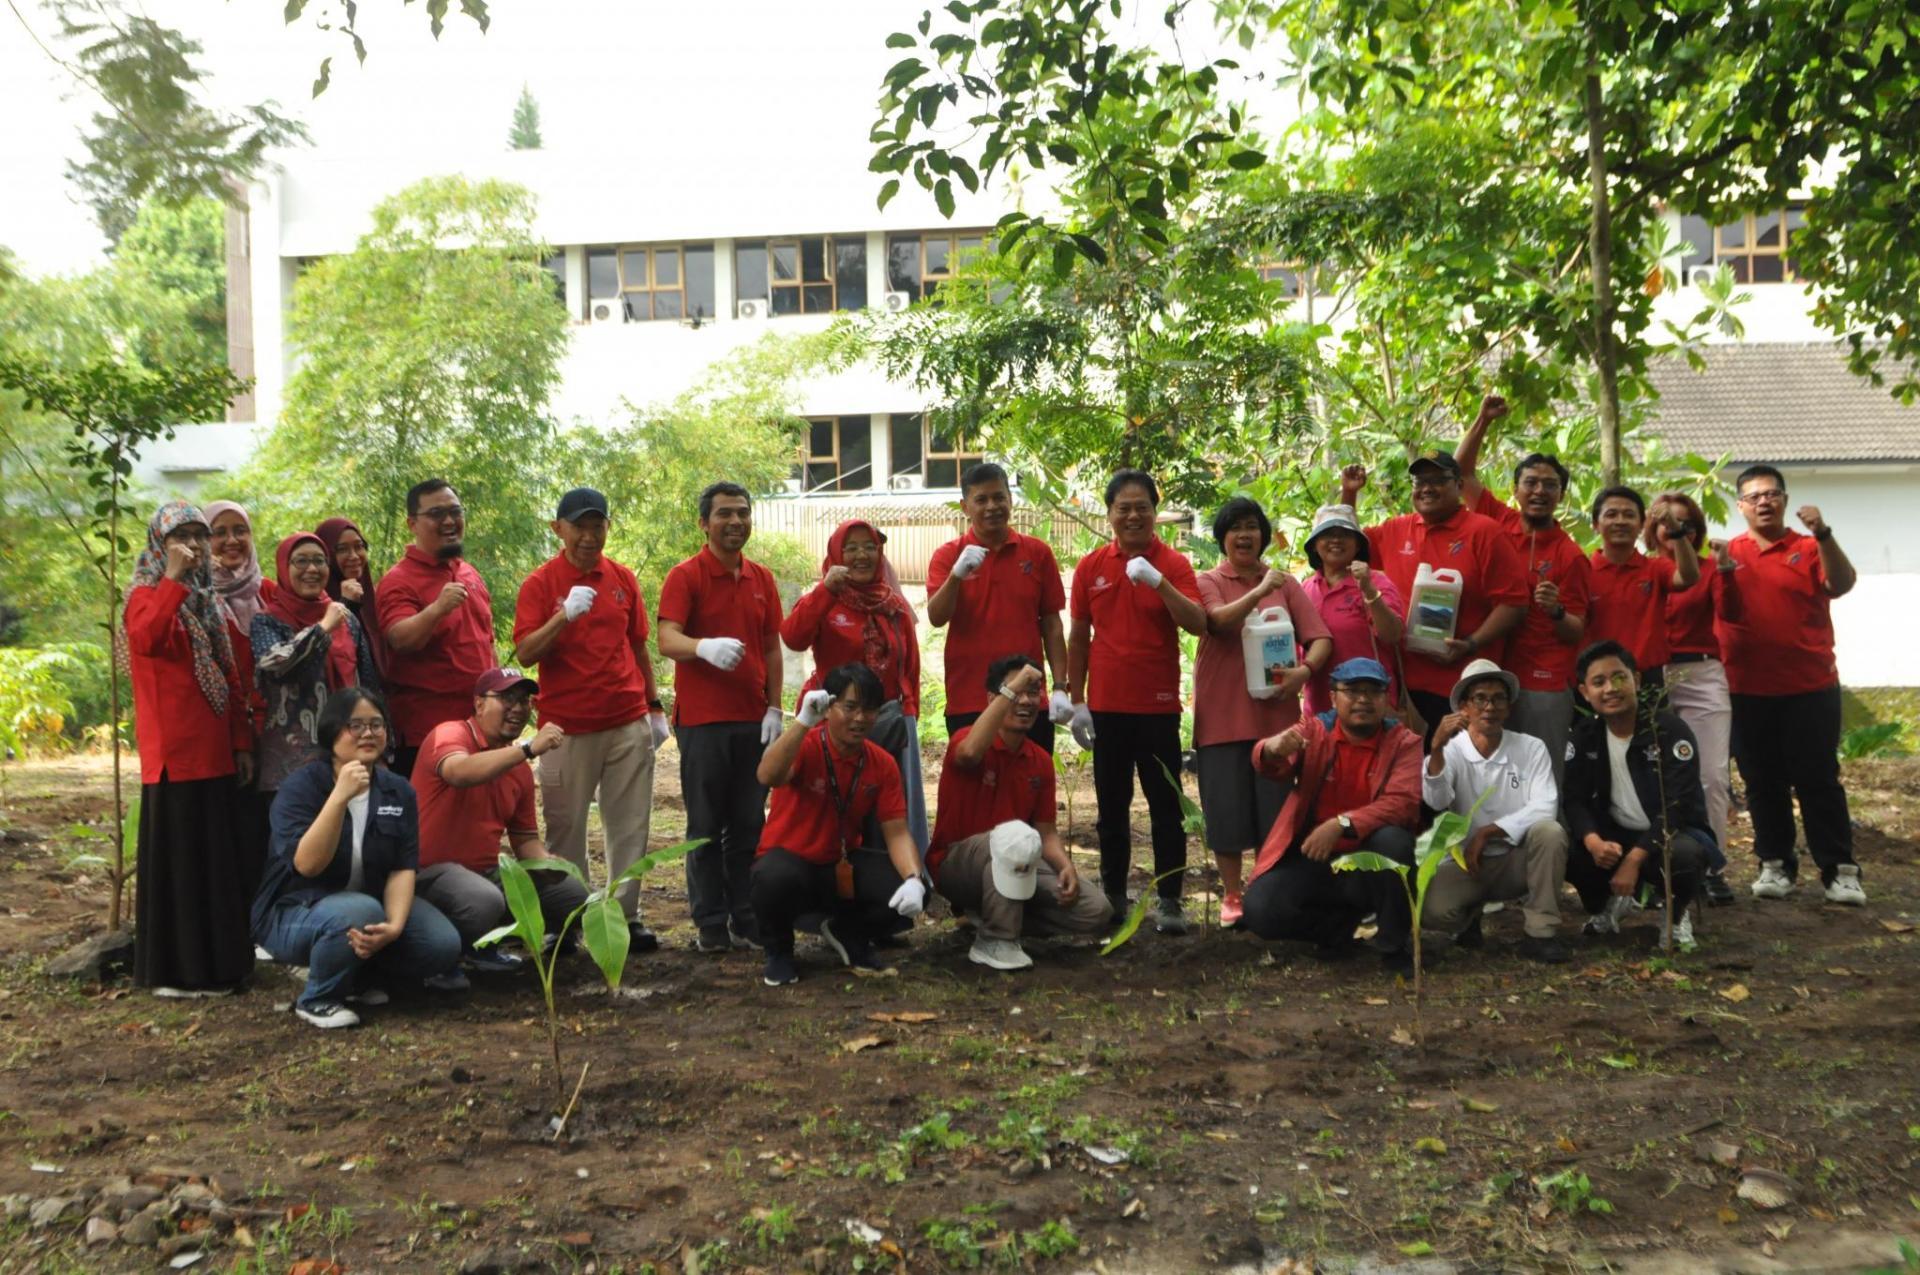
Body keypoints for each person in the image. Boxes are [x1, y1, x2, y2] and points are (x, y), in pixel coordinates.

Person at [512, 487, 669, 952]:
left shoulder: (620, 578)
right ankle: (570, 917)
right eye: (578, 525)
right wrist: (564, 616)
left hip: (625, 719)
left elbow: (639, 644)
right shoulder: (540, 584)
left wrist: (655, 707)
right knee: (565, 827)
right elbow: (525, 652)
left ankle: (625, 916)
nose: (588, 535)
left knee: (630, 825)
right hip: (564, 729)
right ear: (557, 529)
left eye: (596, 525)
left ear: (607, 527)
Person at [253, 688, 461, 1029]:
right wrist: (338, 799)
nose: (368, 733)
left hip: (369, 905)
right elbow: (307, 865)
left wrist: (394, 927)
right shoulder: (300, 787)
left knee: (441, 944)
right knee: (360, 912)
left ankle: (361, 979)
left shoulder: (398, 790)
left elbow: (401, 868)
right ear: (331, 731)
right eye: (356, 725)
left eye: (376, 724)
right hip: (293, 911)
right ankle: (317, 999)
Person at [1066, 469, 1207, 934]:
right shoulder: (1090, 567)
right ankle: (1112, 895)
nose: (1132, 516)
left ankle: (1170, 899)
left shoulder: (1176, 563)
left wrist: (1159, 583)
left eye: (1141, 507)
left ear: (1154, 513)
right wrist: (1076, 699)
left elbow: (1198, 623)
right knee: (1111, 808)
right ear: (1109, 514)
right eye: (1122, 508)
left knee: (1166, 806)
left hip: (1159, 705)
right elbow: (1079, 635)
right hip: (1106, 707)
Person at [123, 502, 255, 997]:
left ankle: (221, 967)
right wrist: (172, 579)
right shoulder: (145, 595)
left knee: (215, 863)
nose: (195, 546)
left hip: (215, 751)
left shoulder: (207, 601)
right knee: (181, 866)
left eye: (200, 537)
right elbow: (148, 640)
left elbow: (230, 675)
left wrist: (241, 742)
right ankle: (177, 973)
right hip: (173, 757)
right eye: (183, 537)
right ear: (160, 543)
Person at [1718, 465, 1865, 905]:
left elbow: (1842, 583)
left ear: (1784, 499)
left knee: (1819, 779)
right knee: (1762, 782)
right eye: (1753, 496)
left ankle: (1840, 870)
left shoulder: (1808, 546)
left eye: (1771, 494)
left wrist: (1823, 533)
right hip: (1747, 689)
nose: (1763, 501)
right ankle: (1775, 864)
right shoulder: (1727, 553)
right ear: (1740, 505)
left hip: (1811, 685)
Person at [657, 482, 785, 952]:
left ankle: (744, 914)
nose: (735, 522)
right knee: (705, 826)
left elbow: (772, 647)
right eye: (725, 514)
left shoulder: (762, 579)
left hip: (752, 720)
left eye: (743, 513)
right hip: (703, 722)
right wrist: (702, 647)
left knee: (749, 822)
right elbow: (666, 639)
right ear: (704, 523)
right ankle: (710, 920)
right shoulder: (686, 576)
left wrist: (775, 705)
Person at [1193, 496, 1333, 925]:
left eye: (1252, 526)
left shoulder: (1287, 584)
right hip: (1222, 714)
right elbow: (1219, 622)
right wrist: (1259, 590)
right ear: (1222, 538)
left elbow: (1320, 638)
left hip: (1276, 719)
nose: (1244, 535)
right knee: (1226, 807)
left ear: (1263, 535)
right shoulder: (1208, 580)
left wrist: (1303, 672)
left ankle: (1265, 889)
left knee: (1275, 808)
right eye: (1235, 527)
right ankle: (1232, 895)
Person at [928, 656, 1113, 969]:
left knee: (1096, 910)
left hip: (1016, 860)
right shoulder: (967, 739)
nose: (1027, 700)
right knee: (1011, 837)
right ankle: (997, 939)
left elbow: (1046, 832)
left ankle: (991, 917)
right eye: (1017, 692)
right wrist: (1011, 689)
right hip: (957, 863)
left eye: (1033, 692)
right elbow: (970, 754)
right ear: (994, 699)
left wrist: (1065, 865)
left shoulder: (1039, 760)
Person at [1238, 658, 1423, 966]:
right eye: (1352, 690)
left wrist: (1342, 823)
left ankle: (1394, 945)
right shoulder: (1314, 729)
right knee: (1260, 909)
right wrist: (1272, 748)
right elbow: (1271, 761)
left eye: (1373, 691)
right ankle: (1335, 930)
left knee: (1394, 842)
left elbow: (1403, 802)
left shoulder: (1404, 741)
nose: (1363, 699)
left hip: (1368, 862)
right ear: (1334, 697)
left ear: (1386, 700)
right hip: (1316, 857)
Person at [751, 664, 927, 986]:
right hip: (792, 863)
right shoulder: (805, 743)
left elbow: (898, 832)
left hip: (839, 865)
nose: (860, 719)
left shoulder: (881, 763)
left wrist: (914, 879)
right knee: (772, 877)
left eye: (870, 710)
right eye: (850, 708)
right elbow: (768, 775)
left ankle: (849, 933)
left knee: (904, 886)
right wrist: (803, 721)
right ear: (829, 707)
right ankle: (778, 951)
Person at [1339, 451, 1529, 740]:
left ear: (1459, 484)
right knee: (1413, 776)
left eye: (1438, 480)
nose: (1427, 488)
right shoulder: (1395, 529)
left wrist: (1469, 643)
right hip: (1404, 687)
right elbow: (1344, 544)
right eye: (1420, 481)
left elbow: (1514, 604)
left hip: (1464, 688)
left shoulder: (1485, 532)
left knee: (1461, 777)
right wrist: (1349, 493)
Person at [1453, 396, 1592, 785]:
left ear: (1561, 495)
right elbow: (1460, 473)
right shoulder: (1497, 522)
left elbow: (1576, 629)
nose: (1539, 491)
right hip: (1488, 671)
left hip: (1541, 682)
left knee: (1540, 777)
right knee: (1487, 775)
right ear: (1516, 489)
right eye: (1530, 482)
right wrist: (1482, 419)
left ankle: (1548, 844)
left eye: (1550, 485)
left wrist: (1557, 611)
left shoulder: (1571, 555)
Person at [409, 668, 589, 966]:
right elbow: (459, 772)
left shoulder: (517, 769)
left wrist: (546, 862)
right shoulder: (450, 734)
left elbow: (525, 839)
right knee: (483, 900)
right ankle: (461, 950)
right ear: (479, 704)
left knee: (574, 895)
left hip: (486, 875)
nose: (518, 708)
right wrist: (528, 749)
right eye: (507, 698)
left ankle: (490, 940)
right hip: (428, 873)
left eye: (524, 700)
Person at [781, 520, 929, 853]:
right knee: (829, 799)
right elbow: (793, 638)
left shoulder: (894, 606)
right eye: (851, 548)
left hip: (886, 718)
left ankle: (894, 875)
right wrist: (825, 590)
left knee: (887, 803)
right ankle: (821, 866)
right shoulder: (824, 599)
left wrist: (911, 711)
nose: (862, 555)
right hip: (831, 720)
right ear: (836, 554)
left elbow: (910, 664)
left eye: (870, 547)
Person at [1418, 659, 1571, 963]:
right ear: (1464, 707)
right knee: (1431, 912)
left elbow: (1545, 805)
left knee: (1550, 833)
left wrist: (1489, 831)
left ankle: (1540, 933)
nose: (1490, 706)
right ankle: (1468, 920)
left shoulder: (1531, 748)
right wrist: (1435, 748)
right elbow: (1436, 800)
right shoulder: (1451, 750)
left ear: (1509, 706)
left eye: (1498, 698)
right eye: (1480, 698)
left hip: (1516, 859)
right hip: (1466, 864)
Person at [1564, 641, 1711, 944]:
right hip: (1615, 836)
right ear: (1585, 693)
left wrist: (1633, 861)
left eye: (1619, 678)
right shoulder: (1584, 737)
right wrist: (1593, 842)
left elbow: (1677, 805)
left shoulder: (1669, 731)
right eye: (1599, 682)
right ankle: (1604, 906)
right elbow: (1574, 799)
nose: (1610, 689)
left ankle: (1675, 914)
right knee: (1567, 848)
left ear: (1637, 680)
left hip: (1669, 835)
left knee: (1684, 855)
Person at [926, 462, 1072, 750]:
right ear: (965, 506)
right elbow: (936, 617)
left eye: (998, 497)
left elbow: (1052, 626)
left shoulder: (1037, 553)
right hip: (970, 697)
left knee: (1031, 783)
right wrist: (957, 575)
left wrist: (1059, 688)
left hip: (1029, 698)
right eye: (981, 500)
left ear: (1010, 500)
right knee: (975, 787)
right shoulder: (948, 556)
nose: (992, 506)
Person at [1646, 491, 1738, 905]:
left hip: (1701, 672)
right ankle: (1658, 867)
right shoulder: (1642, 569)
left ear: (1696, 529)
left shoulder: (1708, 569)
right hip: (1651, 675)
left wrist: (1729, 573)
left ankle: (1712, 866)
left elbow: (1731, 612)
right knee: (1654, 777)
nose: (1674, 529)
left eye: (1684, 522)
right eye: (1667, 522)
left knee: (1712, 775)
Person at [376, 479, 495, 778]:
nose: (449, 521)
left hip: (479, 725)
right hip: (427, 735)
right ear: (412, 523)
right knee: (430, 823)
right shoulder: (398, 580)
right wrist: (437, 609)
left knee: (479, 821)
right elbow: (400, 639)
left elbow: (486, 640)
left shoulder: (467, 571)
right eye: (436, 514)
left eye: (455, 512)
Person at [251, 533, 380, 795]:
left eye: (319, 561)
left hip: (349, 757)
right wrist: (322, 629)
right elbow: (275, 666)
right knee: (298, 835)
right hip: (290, 767)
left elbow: (367, 684)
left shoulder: (347, 620)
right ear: (284, 569)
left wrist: (380, 749)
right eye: (301, 561)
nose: (311, 569)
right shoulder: (267, 621)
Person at [1584, 485, 1699, 686]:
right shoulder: (1582, 570)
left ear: (1641, 525)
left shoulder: (1656, 568)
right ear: (1595, 524)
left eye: (1629, 515)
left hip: (1647, 676)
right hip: (1597, 678)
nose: (1620, 521)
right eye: (1611, 514)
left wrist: (1674, 527)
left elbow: (1689, 576)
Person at [1300, 504, 1404, 716]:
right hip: (1320, 711)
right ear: (1314, 545)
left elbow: (1392, 634)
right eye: (1327, 534)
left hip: (1368, 707)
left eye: (1345, 534)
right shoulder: (1305, 589)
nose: (1336, 540)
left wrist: (1367, 589)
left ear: (1358, 545)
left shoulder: (1377, 581)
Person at [316, 516, 386, 674]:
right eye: (342, 549)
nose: (354, 556)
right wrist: (346, 604)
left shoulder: (373, 597)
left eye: (359, 546)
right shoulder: (313, 603)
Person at [203, 500, 273, 634]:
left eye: (240, 531)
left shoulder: (267, 590)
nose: (232, 540)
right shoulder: (198, 595)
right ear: (205, 540)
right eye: (220, 533)